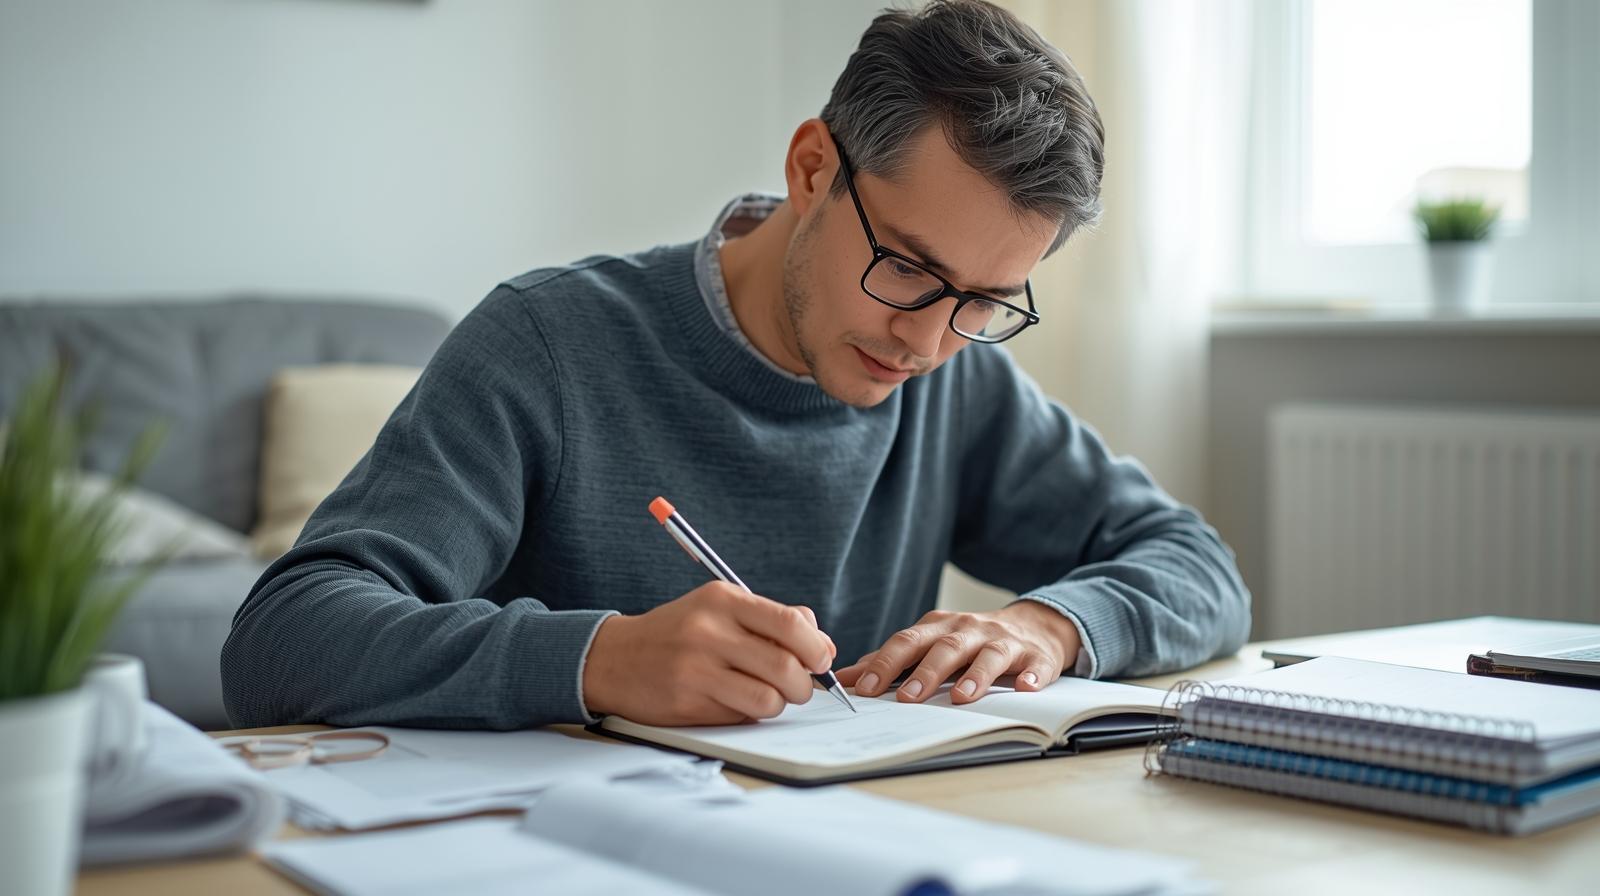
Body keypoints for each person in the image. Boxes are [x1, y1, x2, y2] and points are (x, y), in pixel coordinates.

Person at [222, 0, 1250, 730]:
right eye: (908, 268)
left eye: (983, 301)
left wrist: (1054, 621)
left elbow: (1199, 566)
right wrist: (598, 659)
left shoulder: (955, 376)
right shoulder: (549, 342)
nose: (926, 341)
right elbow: (280, 641)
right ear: (811, 168)